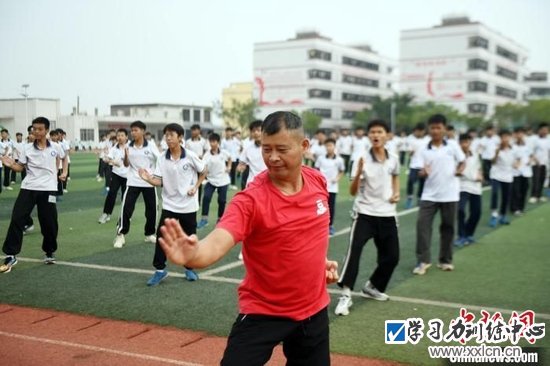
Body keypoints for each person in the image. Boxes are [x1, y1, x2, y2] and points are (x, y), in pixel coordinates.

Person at [158, 111, 338, 365]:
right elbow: (219, 240)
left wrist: (319, 263)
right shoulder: (251, 199)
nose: (272, 158)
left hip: (314, 311)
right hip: (265, 312)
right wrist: (194, 256)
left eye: (281, 149)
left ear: (304, 146)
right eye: (266, 149)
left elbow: (308, 235)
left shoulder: (317, 180)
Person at [335, 120, 400, 316]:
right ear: (368, 136)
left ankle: (372, 287)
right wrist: (358, 173)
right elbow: (353, 191)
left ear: (387, 135)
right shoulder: (361, 158)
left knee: (392, 256)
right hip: (364, 214)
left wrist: (396, 193)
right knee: (354, 253)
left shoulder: (393, 158)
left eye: (380, 132)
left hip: (387, 214)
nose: (376, 135)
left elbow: (395, 176)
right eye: (372, 132)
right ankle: (345, 295)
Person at [138, 123, 206, 285]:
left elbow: (204, 171)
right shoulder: (162, 158)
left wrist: (195, 187)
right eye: (166, 135)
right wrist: (148, 179)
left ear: (180, 138)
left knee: (189, 239)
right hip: (169, 205)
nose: (168, 138)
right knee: (162, 236)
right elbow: (159, 181)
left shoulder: (190, 155)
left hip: (189, 205)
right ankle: (160, 270)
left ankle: (189, 268)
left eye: (171, 135)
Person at [0, 117, 68, 273]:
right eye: (33, 129)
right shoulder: (27, 148)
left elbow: (64, 159)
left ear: (46, 131)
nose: (35, 132)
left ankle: (49, 251)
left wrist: (64, 172)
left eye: (39, 129)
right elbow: (20, 167)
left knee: (49, 222)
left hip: (48, 189)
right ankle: (11, 254)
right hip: (29, 188)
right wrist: (11, 164)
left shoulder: (56, 147)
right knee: (17, 217)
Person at [413, 114, 465, 275]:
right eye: (433, 127)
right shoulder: (423, 148)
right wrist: (423, 172)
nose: (435, 131)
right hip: (429, 195)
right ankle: (423, 261)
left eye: (438, 127)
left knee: (448, 227)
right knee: (422, 226)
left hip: (450, 194)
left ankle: (445, 260)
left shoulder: (453, 146)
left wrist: (459, 170)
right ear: (429, 129)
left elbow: (462, 161)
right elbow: (417, 170)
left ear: (444, 129)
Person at [113, 121, 160, 248]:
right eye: (132, 130)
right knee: (126, 208)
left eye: (136, 130)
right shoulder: (128, 146)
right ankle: (120, 235)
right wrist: (127, 156)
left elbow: (160, 160)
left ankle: (149, 234)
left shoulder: (150, 146)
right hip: (133, 181)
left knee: (152, 210)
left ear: (143, 131)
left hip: (148, 182)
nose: (133, 133)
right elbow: (127, 164)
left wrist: (154, 176)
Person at [198, 133, 231, 229]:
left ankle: (220, 219)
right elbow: (203, 166)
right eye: (210, 142)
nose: (212, 144)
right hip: (211, 180)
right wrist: (205, 172)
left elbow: (229, 158)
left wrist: (229, 166)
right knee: (206, 197)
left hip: (223, 180)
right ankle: (204, 220)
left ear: (218, 142)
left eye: (214, 141)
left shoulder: (224, 153)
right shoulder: (207, 155)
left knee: (222, 200)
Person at [455, 134, 483, 247]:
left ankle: (469, 234)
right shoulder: (457, 156)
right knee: (460, 209)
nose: (464, 145)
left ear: (470, 143)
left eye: (466, 142)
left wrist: (481, 175)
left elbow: (478, 168)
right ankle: (461, 236)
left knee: (476, 212)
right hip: (462, 186)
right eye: (462, 142)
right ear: (459, 143)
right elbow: (456, 171)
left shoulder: (475, 154)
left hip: (475, 186)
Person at [488, 130, 519, 227]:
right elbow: (492, 162)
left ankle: (502, 216)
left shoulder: (514, 149)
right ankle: (494, 215)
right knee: (495, 193)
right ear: (500, 138)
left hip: (508, 176)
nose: (505, 139)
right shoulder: (495, 148)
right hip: (496, 175)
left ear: (510, 138)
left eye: (507, 137)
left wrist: (516, 164)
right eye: (503, 137)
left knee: (506, 197)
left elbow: (517, 160)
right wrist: (497, 153)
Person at [315, 138, 345, 236]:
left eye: (330, 145)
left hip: (332, 188)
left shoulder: (339, 160)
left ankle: (330, 225)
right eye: (327, 146)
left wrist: (337, 179)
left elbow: (341, 171)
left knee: (331, 207)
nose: (329, 148)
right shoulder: (321, 158)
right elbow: (316, 169)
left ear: (334, 146)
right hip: (321, 187)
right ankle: (319, 225)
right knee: (320, 206)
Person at [98, 128, 129, 224]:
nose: (119, 137)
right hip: (116, 174)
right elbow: (106, 159)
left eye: (122, 135)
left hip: (128, 176)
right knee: (111, 194)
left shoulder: (130, 147)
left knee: (126, 197)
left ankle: (125, 216)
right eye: (118, 135)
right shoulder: (114, 147)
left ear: (126, 137)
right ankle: (106, 214)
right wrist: (111, 161)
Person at [405, 123, 429, 209]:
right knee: (411, 181)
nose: (419, 133)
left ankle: (419, 199)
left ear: (423, 131)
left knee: (422, 184)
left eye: (421, 131)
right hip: (414, 165)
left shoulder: (428, 139)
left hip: (424, 165)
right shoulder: (410, 138)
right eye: (417, 131)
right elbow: (409, 152)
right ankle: (409, 198)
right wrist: (411, 151)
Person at [237, 120, 267, 187]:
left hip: (267, 183)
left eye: (258, 130)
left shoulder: (270, 147)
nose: (256, 133)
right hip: (252, 183)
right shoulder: (248, 149)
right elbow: (241, 164)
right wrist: (240, 167)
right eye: (253, 131)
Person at [511, 127, 532, 215]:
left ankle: (521, 207)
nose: (520, 135)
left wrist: (530, 160)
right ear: (515, 135)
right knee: (516, 190)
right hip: (515, 172)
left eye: (521, 133)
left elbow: (531, 155)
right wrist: (514, 163)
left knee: (524, 189)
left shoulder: (527, 145)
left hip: (526, 171)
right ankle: (515, 208)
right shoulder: (512, 146)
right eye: (518, 133)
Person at [529, 122, 549, 203]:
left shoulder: (548, 140)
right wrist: (536, 160)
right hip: (536, 163)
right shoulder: (534, 139)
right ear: (539, 130)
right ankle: (533, 196)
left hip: (544, 163)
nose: (545, 131)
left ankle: (539, 195)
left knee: (542, 179)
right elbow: (530, 151)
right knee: (536, 180)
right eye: (544, 130)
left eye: (547, 130)